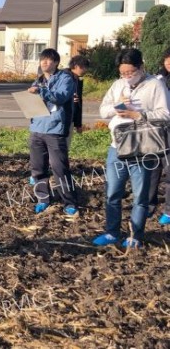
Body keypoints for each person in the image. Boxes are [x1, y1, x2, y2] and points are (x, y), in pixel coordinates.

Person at [93, 49, 170, 248]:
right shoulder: (118, 85)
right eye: (123, 73)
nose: (127, 76)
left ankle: (135, 235)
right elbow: (103, 110)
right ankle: (111, 232)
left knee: (141, 195)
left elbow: (165, 114)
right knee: (112, 192)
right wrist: (118, 106)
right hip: (117, 147)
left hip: (144, 148)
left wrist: (139, 115)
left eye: (131, 72)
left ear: (141, 67)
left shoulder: (155, 84)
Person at [27, 48, 78, 215]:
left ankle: (69, 202)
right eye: (42, 60)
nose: (44, 63)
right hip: (37, 129)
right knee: (38, 168)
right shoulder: (39, 80)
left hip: (55, 129)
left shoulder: (65, 78)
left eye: (48, 60)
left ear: (56, 62)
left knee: (60, 168)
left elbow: (61, 97)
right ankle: (43, 199)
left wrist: (41, 91)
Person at [148, 48, 170, 225]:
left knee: (169, 172)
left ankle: (169, 210)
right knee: (152, 168)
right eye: (166, 59)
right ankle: (148, 204)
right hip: (156, 131)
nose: (168, 62)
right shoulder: (157, 80)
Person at [64, 55, 90, 147]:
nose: (86, 70)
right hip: (62, 118)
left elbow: (78, 103)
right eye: (84, 67)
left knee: (65, 146)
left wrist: (78, 124)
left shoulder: (77, 79)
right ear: (76, 66)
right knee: (60, 147)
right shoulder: (63, 77)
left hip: (70, 118)